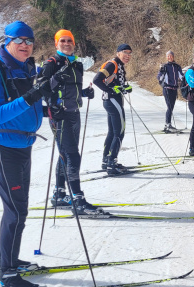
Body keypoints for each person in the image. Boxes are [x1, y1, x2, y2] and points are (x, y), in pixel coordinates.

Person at [0, 21, 58, 287]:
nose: (25, 44)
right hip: (2, 144)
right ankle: (9, 279)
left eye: (29, 40)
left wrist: (48, 110)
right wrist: (33, 94)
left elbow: (27, 106)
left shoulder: (25, 67)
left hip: (23, 142)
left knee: (18, 207)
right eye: (19, 40)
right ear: (7, 41)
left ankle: (4, 260)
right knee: (16, 211)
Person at [40, 29, 102, 215]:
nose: (67, 44)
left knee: (65, 155)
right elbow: (40, 88)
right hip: (59, 115)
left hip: (74, 114)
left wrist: (84, 93)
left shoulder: (77, 65)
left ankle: (59, 194)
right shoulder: (51, 63)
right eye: (63, 41)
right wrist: (55, 79)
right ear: (56, 44)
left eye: (70, 41)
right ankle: (78, 199)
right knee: (72, 156)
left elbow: (70, 90)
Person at [93, 44, 133, 174]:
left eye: (130, 53)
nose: (128, 55)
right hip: (112, 100)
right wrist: (111, 90)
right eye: (125, 52)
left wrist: (124, 88)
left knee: (112, 132)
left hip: (112, 101)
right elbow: (97, 80)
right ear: (118, 53)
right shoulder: (112, 64)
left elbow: (115, 83)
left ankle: (106, 160)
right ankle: (112, 163)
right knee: (119, 132)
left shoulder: (119, 65)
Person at [157, 50, 184, 132]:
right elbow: (159, 77)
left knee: (171, 107)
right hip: (167, 89)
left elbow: (181, 76)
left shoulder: (177, 66)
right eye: (168, 56)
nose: (169, 57)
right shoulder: (164, 66)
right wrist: (161, 73)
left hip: (174, 89)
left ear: (173, 56)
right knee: (169, 107)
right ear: (166, 57)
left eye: (171, 56)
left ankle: (168, 124)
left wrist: (186, 82)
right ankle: (168, 124)